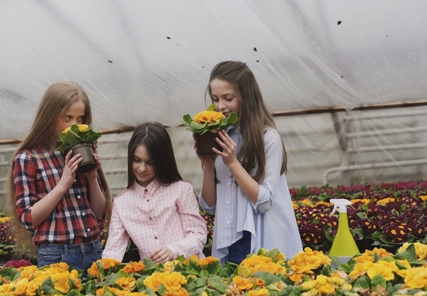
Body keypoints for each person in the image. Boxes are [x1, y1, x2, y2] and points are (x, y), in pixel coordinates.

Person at [196, 61, 303, 265]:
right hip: (228, 245)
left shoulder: (268, 138)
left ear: (247, 96)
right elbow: (209, 206)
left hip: (260, 244)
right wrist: (208, 165)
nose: (220, 106)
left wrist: (233, 163)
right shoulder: (220, 135)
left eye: (228, 98)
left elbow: (264, 202)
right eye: (215, 99)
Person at [7, 81, 111, 271]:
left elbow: (100, 213)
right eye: (67, 117)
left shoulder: (80, 151)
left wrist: (91, 177)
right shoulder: (29, 158)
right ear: (49, 116)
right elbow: (28, 218)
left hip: (94, 250)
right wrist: (63, 184)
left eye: (80, 119)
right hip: (56, 256)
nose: (74, 125)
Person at [102, 122, 207, 263]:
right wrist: (103, 274)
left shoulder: (181, 189)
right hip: (154, 281)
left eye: (150, 162)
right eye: (136, 160)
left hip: (191, 273)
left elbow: (198, 235)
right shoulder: (121, 203)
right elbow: (113, 251)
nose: (142, 168)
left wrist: (173, 250)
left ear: (162, 161)